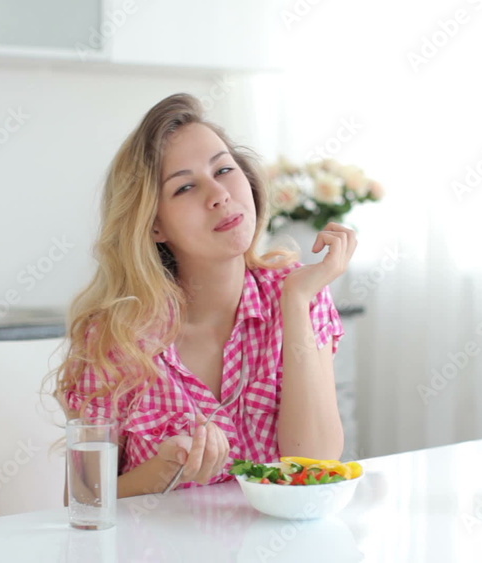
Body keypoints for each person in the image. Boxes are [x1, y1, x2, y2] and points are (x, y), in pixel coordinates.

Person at [56, 93, 356, 498]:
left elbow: (316, 463)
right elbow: (83, 498)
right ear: (153, 225)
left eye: (225, 169)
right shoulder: (114, 339)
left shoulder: (296, 295)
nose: (218, 195)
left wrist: (297, 304)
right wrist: (165, 471)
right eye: (184, 188)